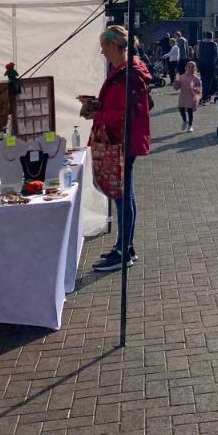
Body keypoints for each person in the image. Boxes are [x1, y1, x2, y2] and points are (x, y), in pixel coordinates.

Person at [80, 26, 152, 273]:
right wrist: (97, 104)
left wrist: (97, 110)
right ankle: (125, 246)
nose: (102, 51)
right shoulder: (126, 71)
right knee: (124, 196)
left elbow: (123, 113)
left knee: (122, 197)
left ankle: (124, 250)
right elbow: (122, 107)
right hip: (123, 139)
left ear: (114, 46)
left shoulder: (127, 74)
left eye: (104, 46)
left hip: (122, 140)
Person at [173, 60, 202, 131]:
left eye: (192, 67)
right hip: (183, 96)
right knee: (181, 109)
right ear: (186, 68)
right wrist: (176, 82)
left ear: (195, 68)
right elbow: (177, 88)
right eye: (189, 67)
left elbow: (199, 88)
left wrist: (195, 88)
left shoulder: (196, 78)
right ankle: (185, 121)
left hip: (191, 96)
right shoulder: (182, 77)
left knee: (190, 111)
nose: (190, 68)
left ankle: (190, 125)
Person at [196, 32, 218, 105]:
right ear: (211, 36)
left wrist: (200, 60)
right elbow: (216, 55)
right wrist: (213, 61)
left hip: (202, 64)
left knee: (203, 80)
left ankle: (206, 95)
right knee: (209, 80)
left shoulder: (201, 43)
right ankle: (206, 96)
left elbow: (197, 53)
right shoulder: (213, 44)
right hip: (210, 64)